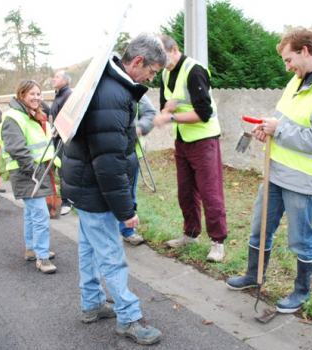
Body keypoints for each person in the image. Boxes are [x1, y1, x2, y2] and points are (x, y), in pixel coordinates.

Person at [226, 29, 312, 314]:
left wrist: (280, 130)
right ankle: (253, 276)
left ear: (305, 51)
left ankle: (301, 291)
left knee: (300, 238)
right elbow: (283, 122)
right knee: (260, 229)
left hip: (302, 179)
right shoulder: (296, 81)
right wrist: (267, 129)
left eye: (289, 59)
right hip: (275, 172)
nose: (286, 67)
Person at [62, 33, 167, 345]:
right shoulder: (112, 94)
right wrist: (126, 211)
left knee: (89, 248)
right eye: (152, 71)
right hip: (96, 189)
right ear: (137, 62)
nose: (152, 78)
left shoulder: (108, 84)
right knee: (111, 254)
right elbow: (108, 162)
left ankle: (92, 303)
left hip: (83, 185)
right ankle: (129, 318)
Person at [153, 35, 227, 262]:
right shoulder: (166, 73)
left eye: (162, 57)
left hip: (204, 141)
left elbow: (203, 113)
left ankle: (217, 243)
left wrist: (171, 117)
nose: (159, 64)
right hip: (182, 141)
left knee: (210, 192)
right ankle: (191, 233)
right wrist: (166, 111)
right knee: (185, 192)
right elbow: (163, 107)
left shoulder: (195, 70)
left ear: (174, 49)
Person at [0, 80, 57, 274]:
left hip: (36, 171)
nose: (36, 97)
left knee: (32, 213)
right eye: (32, 94)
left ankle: (32, 248)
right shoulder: (13, 117)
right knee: (41, 214)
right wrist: (32, 171)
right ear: (21, 95)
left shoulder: (31, 115)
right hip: (28, 172)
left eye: (38, 94)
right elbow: (17, 149)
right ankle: (42, 257)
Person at [119, 94, 156, 245]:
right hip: (105, 153)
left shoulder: (134, 88)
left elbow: (150, 113)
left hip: (131, 154)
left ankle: (127, 231)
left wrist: (140, 128)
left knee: (128, 194)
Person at [50, 70, 73, 215]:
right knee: (59, 171)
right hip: (56, 138)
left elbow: (68, 118)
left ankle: (67, 202)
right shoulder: (59, 95)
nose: (53, 79)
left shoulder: (68, 95)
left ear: (65, 81)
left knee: (64, 171)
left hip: (64, 140)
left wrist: (58, 130)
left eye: (57, 77)